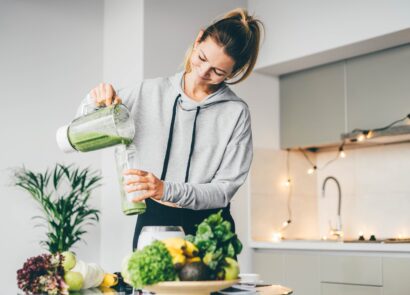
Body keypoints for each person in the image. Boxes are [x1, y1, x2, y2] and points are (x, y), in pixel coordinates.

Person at [82, 8, 263, 250]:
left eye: (218, 72)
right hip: (154, 222)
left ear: (234, 72)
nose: (202, 73)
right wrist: (95, 100)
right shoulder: (148, 92)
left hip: (211, 227)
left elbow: (223, 190)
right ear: (198, 39)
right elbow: (82, 128)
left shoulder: (236, 112)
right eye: (201, 58)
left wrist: (165, 189)